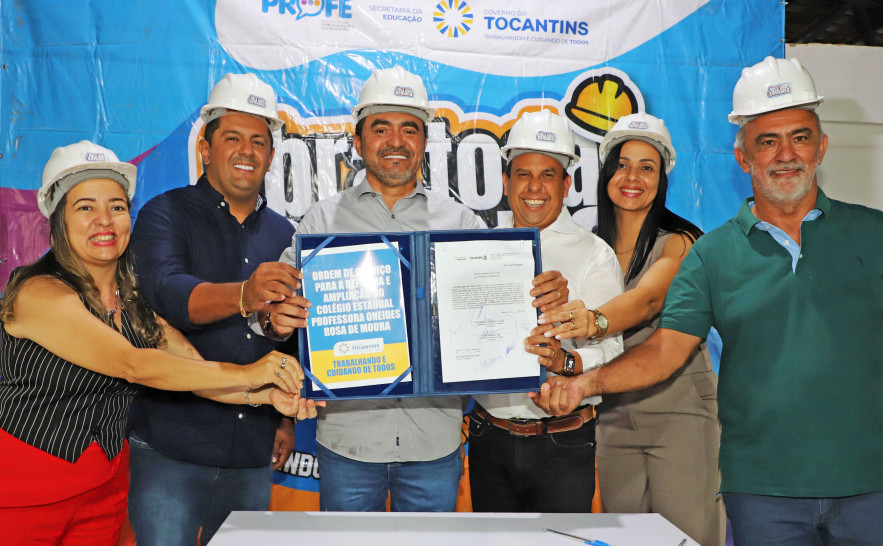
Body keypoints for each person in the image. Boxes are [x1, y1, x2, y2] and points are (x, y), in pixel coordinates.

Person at [531, 56, 883, 544]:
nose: (785, 154)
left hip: (869, 487)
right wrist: (582, 382)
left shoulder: (873, 234)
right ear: (743, 157)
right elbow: (664, 348)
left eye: (799, 137)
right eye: (767, 141)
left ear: (821, 146)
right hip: (763, 491)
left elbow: (647, 302)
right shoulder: (713, 254)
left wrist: (593, 322)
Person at [267, 67, 569, 512]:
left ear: (425, 141)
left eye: (409, 129)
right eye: (381, 128)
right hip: (348, 445)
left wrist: (538, 297)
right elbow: (276, 314)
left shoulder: (461, 223)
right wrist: (274, 317)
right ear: (358, 141)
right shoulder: (320, 223)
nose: (396, 141)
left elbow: (496, 313)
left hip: (434, 444)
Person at [0, 140, 311, 546]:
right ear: (58, 219)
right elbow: (133, 364)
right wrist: (252, 372)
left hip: (103, 495)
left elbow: (193, 370)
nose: (104, 221)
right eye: (85, 208)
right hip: (23, 496)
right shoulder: (38, 293)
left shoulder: (132, 299)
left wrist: (267, 395)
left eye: (116, 206)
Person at [127, 73, 319, 545]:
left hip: (251, 449)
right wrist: (243, 295)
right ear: (205, 149)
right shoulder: (163, 214)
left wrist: (285, 419)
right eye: (232, 138)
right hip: (171, 447)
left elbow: (291, 334)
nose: (246, 151)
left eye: (258, 141)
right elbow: (167, 294)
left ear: (270, 156)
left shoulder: (285, 235)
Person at [537, 113, 722, 544]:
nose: (632, 177)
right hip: (612, 415)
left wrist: (595, 320)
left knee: (686, 538)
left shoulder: (681, 241)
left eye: (646, 167)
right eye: (622, 165)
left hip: (679, 412)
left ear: (662, 179)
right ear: (605, 174)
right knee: (625, 538)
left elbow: (649, 299)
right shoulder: (590, 246)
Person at [468, 110, 624, 513]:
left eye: (548, 175)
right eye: (523, 174)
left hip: (564, 442)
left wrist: (565, 361)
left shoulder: (595, 253)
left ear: (566, 184)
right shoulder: (476, 252)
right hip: (489, 438)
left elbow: (613, 348)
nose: (534, 187)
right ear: (506, 182)